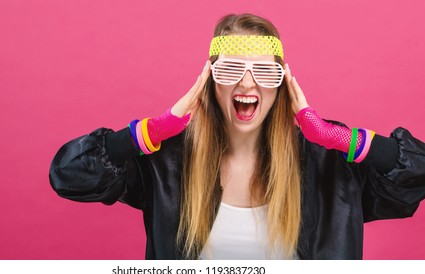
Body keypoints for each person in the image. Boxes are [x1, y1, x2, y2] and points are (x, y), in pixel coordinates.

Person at [49, 13, 425, 259]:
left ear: (283, 87)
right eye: (231, 70)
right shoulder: (167, 164)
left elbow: (417, 172)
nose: (248, 83)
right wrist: (151, 130)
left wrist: (338, 138)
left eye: (265, 72)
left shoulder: (329, 165)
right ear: (210, 81)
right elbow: (69, 175)